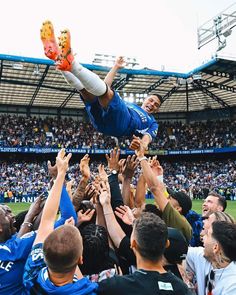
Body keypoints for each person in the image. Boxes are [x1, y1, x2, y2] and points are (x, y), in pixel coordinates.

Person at [40, 20, 162, 150]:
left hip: (123, 124)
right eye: (151, 100)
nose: (152, 104)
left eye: (156, 105)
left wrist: (141, 145)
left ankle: (72, 64)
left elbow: (146, 140)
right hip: (100, 123)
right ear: (146, 99)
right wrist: (115, 66)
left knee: (105, 93)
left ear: (157, 110)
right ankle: (58, 58)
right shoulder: (131, 105)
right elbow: (104, 86)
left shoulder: (152, 122)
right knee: (87, 92)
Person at [23, 149, 98, 294]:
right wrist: (60, 174)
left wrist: (60, 175)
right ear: (80, 259)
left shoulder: (31, 277)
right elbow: (48, 221)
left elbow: (47, 220)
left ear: (43, 256)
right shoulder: (87, 290)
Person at [186, 220, 236, 295]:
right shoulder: (205, 258)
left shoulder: (232, 285)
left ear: (215, 247)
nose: (203, 238)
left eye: (207, 235)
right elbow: (179, 249)